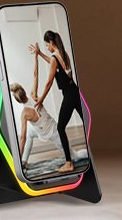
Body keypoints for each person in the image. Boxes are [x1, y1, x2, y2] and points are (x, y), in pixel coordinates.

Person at [32, 31, 84, 175]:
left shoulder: (56, 57)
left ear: (51, 42)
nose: (47, 47)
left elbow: (49, 82)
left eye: (46, 45)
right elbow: (52, 61)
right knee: (86, 121)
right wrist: (40, 53)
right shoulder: (63, 53)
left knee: (60, 127)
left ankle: (69, 163)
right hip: (75, 92)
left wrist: (41, 99)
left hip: (69, 95)